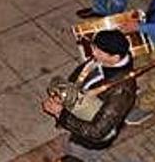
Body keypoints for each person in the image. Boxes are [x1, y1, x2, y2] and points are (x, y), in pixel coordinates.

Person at [42, 30, 136, 161]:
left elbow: (97, 131)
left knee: (77, 154)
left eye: (98, 51)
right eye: (94, 48)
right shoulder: (101, 61)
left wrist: (61, 115)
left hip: (89, 143)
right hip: (79, 117)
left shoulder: (122, 91)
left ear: (115, 57)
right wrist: (63, 97)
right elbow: (79, 77)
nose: (93, 53)